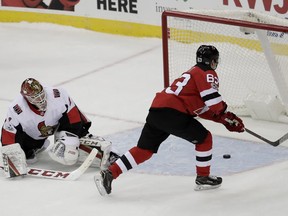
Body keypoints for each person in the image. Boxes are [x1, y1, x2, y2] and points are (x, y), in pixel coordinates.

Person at [94, 45, 245, 195]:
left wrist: (224, 120)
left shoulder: (192, 72)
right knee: (204, 139)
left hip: (157, 110)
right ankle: (203, 177)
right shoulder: (207, 73)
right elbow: (214, 103)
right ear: (212, 61)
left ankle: (110, 174)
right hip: (174, 112)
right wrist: (227, 115)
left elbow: (202, 108)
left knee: (144, 150)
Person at [1, 78, 119, 178]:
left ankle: (105, 154)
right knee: (26, 158)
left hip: (61, 125)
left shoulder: (58, 94)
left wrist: (75, 136)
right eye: (35, 98)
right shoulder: (17, 109)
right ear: (27, 98)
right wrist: (12, 156)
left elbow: (74, 117)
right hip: (32, 138)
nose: (41, 100)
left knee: (68, 155)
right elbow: (8, 134)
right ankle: (33, 148)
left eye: (41, 95)